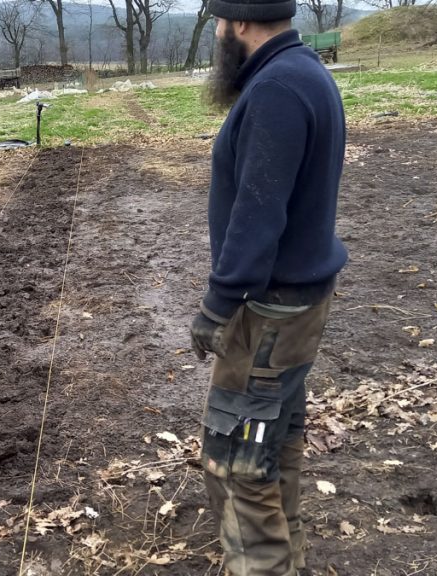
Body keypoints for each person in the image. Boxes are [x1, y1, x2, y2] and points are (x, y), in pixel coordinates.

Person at [189, 1, 348, 574]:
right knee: (273, 440)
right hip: (297, 303)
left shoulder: (277, 89)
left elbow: (259, 216)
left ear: (240, 24)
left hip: (270, 312)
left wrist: (219, 302)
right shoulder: (305, 72)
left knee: (238, 460)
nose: (218, 37)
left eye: (219, 25)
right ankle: (287, 559)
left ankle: (264, 565)